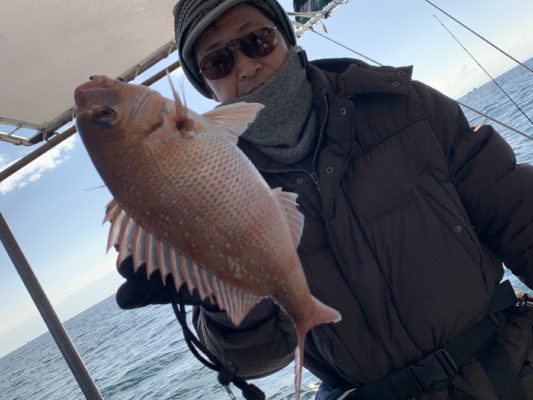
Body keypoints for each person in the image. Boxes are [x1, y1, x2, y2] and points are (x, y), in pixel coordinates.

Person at [116, 0, 533, 398]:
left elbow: (518, 216)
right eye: (218, 63)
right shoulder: (210, 195)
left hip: (513, 363)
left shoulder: (407, 106)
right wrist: (223, 297)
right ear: (207, 87)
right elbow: (259, 358)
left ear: (286, 37)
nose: (245, 66)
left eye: (257, 40)